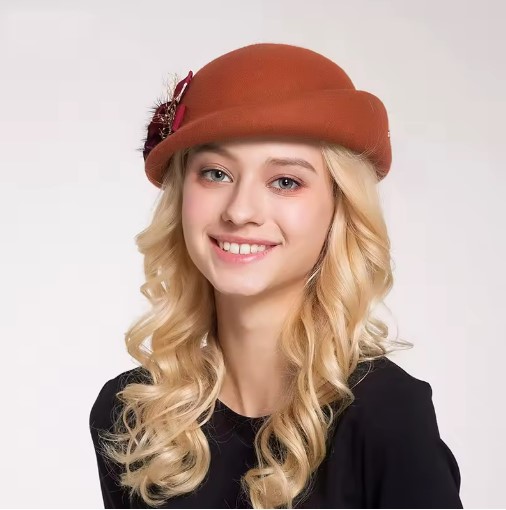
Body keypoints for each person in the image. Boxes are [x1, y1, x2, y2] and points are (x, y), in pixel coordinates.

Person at [89, 43, 463, 509]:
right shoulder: (133, 416)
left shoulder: (385, 416)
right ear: (181, 195)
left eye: (285, 181)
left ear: (340, 208)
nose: (240, 211)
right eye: (216, 173)